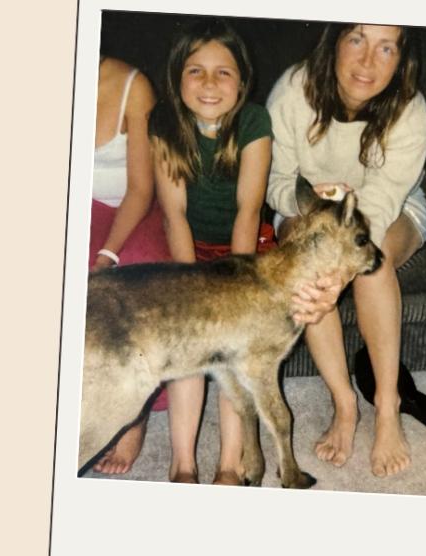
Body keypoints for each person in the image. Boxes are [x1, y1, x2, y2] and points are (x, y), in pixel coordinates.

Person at [266, 23, 426, 476]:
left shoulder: (410, 109)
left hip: (389, 206)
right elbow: (276, 181)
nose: (367, 62)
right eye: (356, 40)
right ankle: (344, 405)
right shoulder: (293, 90)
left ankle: (386, 405)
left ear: (401, 59)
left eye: (385, 48)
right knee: (307, 265)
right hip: (309, 204)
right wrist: (310, 200)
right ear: (334, 42)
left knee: (372, 266)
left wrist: (342, 265)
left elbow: (379, 204)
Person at [150, 19, 273, 484]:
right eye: (195, 71)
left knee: (236, 348)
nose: (208, 83)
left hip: (244, 249)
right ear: (177, 77)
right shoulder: (164, 121)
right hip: (189, 247)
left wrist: (234, 289)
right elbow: (173, 214)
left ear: (242, 81)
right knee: (189, 342)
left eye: (223, 72)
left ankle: (229, 464)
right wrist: (192, 290)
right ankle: (183, 463)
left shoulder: (255, 121)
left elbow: (249, 209)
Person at [87, 56, 171, 475]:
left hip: (128, 208)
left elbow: (141, 189)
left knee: (135, 274)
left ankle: (133, 413)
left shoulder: (133, 86)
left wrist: (109, 253)